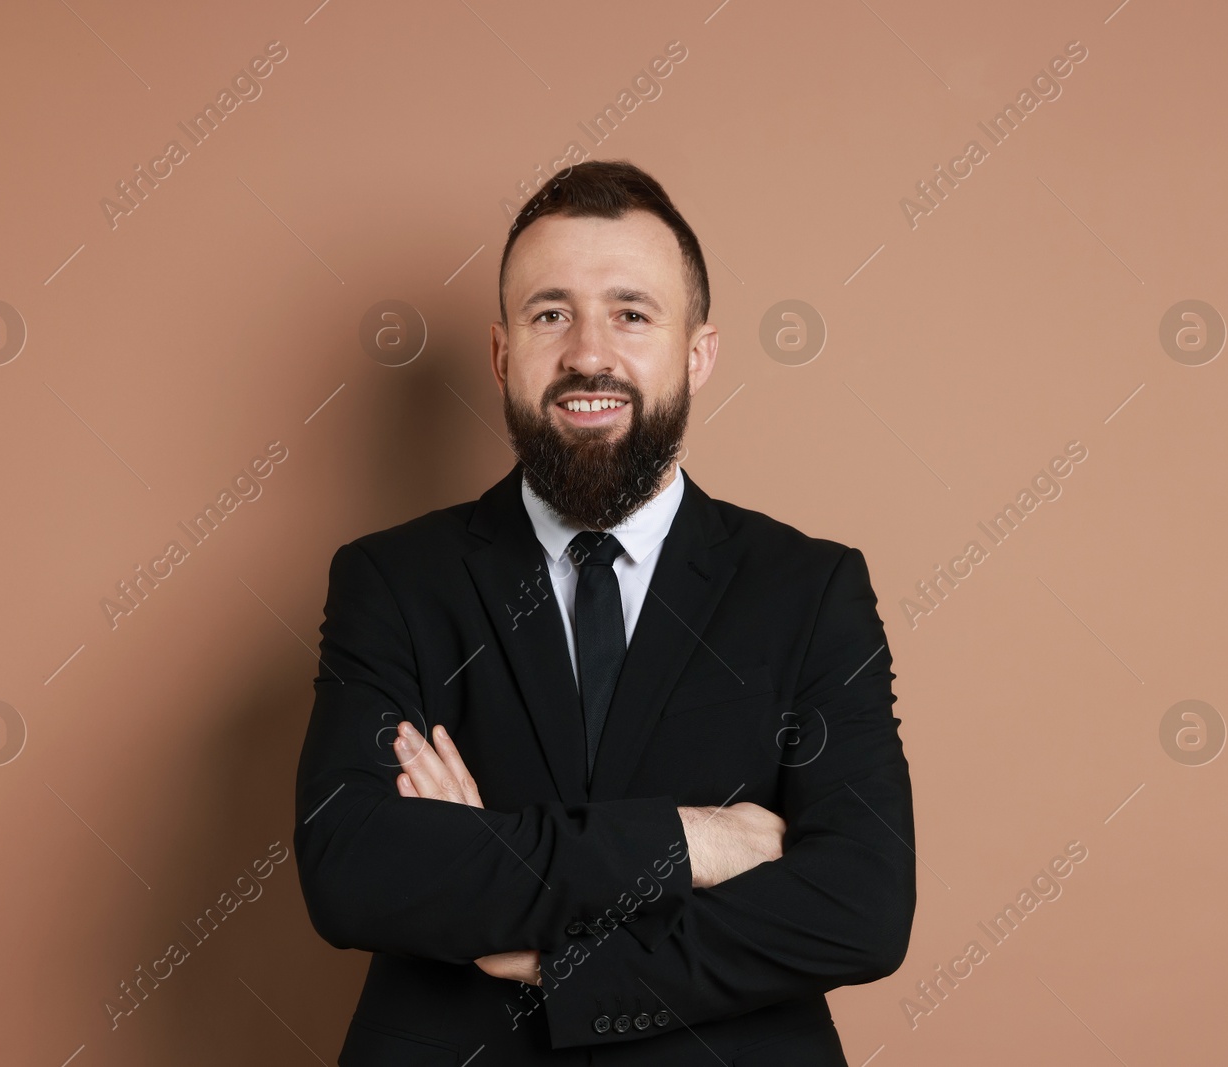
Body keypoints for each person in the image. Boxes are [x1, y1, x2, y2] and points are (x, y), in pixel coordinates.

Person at [293, 159, 915, 1066]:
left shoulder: (809, 589)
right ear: (504, 353)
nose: (589, 353)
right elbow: (353, 870)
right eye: (552, 314)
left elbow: (861, 903)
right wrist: (688, 839)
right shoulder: (391, 579)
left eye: (631, 313)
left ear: (698, 353)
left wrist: (566, 958)